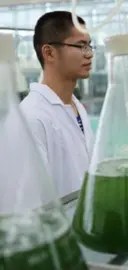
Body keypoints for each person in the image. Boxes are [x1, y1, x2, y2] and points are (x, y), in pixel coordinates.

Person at [21, 11, 94, 198]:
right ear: (49, 52)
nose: (89, 54)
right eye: (80, 46)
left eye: (90, 46)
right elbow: (33, 202)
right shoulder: (31, 118)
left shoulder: (75, 107)